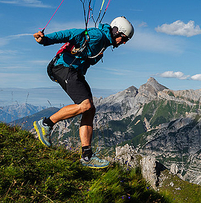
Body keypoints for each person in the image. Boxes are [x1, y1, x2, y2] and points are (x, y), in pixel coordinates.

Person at [33, 16, 134, 169]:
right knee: (85, 105)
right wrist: (45, 40)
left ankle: (87, 156)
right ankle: (45, 124)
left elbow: (86, 56)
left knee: (90, 109)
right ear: (116, 31)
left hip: (74, 72)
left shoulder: (104, 43)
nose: (124, 42)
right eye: (124, 38)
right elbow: (70, 34)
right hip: (63, 67)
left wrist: (94, 59)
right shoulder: (97, 35)